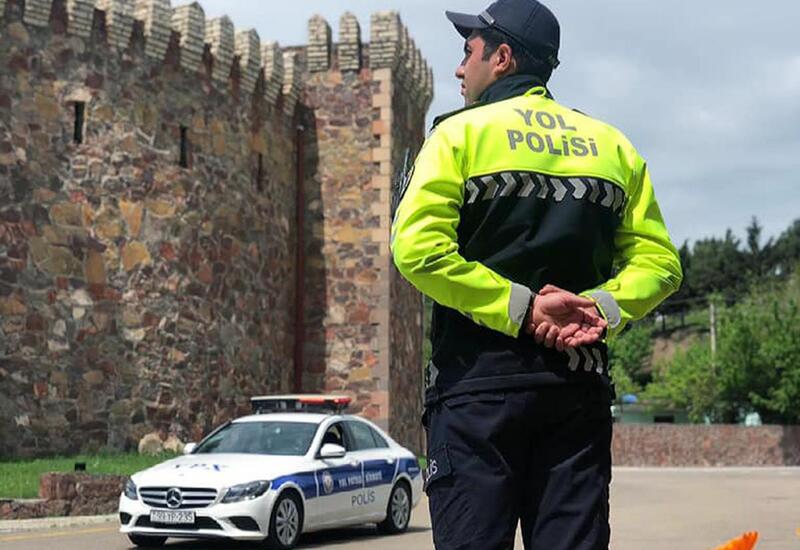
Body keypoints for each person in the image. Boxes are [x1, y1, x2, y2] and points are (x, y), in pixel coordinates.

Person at [390, 0, 683, 548]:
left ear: (502, 58)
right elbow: (661, 264)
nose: (459, 68)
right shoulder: (612, 145)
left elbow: (417, 250)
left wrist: (523, 309)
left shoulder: (457, 136)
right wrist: (598, 307)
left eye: (468, 52)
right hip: (576, 389)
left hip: (477, 392)